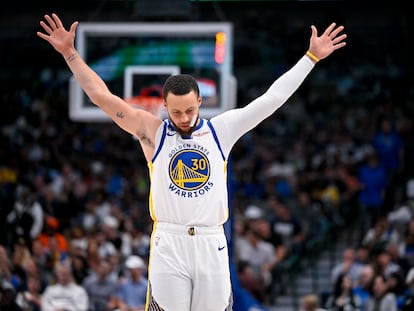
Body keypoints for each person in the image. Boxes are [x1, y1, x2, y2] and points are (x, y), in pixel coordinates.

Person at [37, 13, 346, 311]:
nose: (183, 118)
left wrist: (311, 58)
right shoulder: (152, 132)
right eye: (176, 112)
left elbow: (271, 99)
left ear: (200, 101)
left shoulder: (221, 130)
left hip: (212, 241)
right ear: (165, 106)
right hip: (169, 243)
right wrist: (70, 55)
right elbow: (102, 97)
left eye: (189, 110)